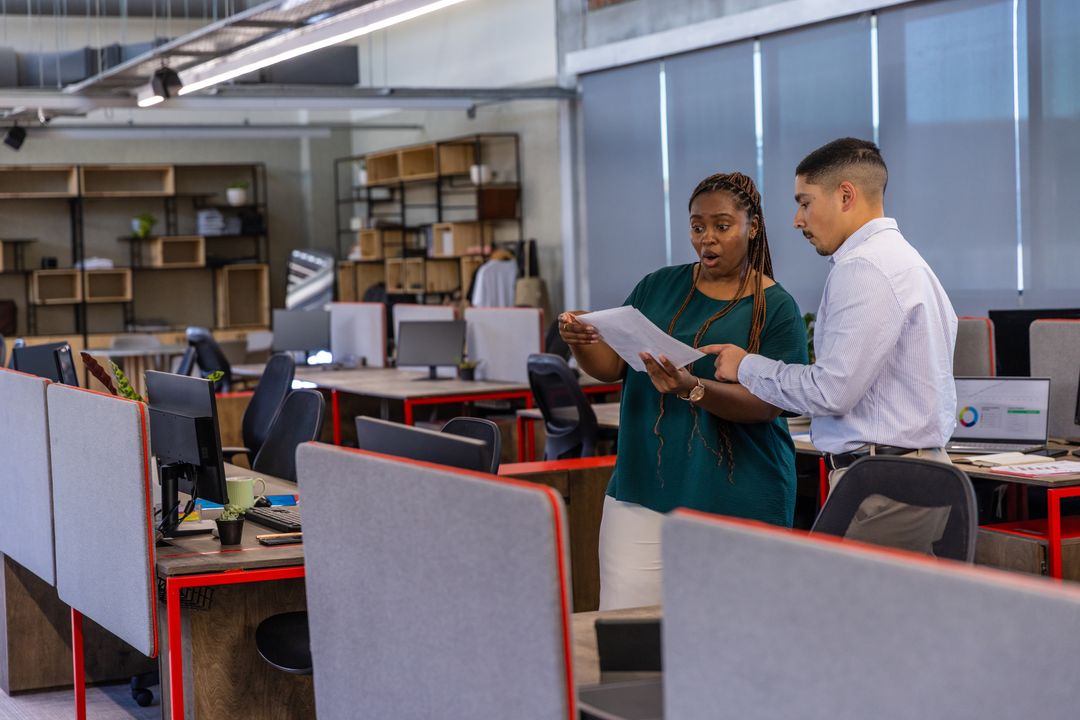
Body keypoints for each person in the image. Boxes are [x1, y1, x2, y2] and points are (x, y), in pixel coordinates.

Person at [560, 172, 807, 610]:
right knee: (626, 635)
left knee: (729, 638)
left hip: (737, 497)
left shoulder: (777, 308)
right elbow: (612, 367)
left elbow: (770, 406)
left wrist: (694, 388)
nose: (707, 239)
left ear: (752, 227)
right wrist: (583, 343)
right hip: (642, 489)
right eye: (697, 227)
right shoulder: (658, 286)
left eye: (722, 226)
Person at [707, 138, 958, 478]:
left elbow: (830, 392)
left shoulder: (865, 268)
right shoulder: (904, 260)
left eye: (805, 203)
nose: (797, 220)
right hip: (904, 471)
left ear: (845, 196)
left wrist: (745, 366)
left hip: (884, 478)